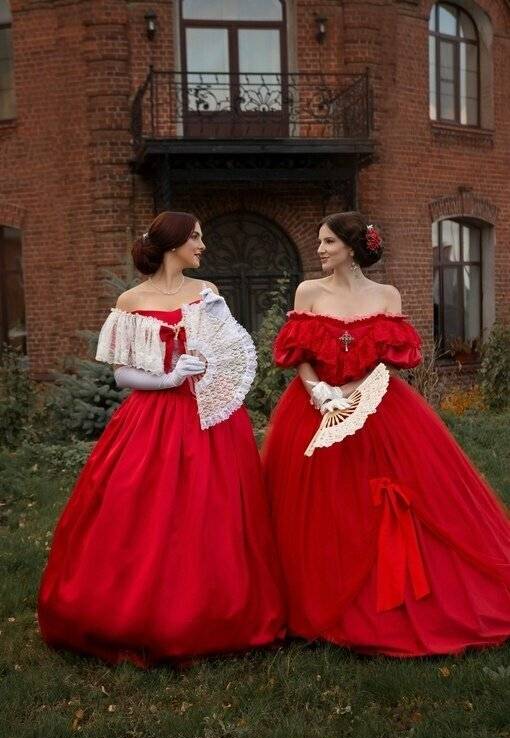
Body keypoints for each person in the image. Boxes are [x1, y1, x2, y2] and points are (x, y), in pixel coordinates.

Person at [38, 210, 284, 666]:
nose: (202, 245)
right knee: (144, 504)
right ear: (173, 243)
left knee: (215, 507)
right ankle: (140, 610)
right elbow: (121, 374)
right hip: (153, 415)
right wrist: (168, 378)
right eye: (196, 237)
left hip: (211, 417)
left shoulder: (208, 292)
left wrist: (210, 354)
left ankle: (218, 610)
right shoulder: (131, 300)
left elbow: (227, 350)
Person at [262, 210, 510, 657]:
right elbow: (299, 356)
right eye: (319, 241)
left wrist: (350, 394)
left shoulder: (386, 295)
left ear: (352, 248)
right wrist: (318, 392)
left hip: (378, 408)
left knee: (388, 501)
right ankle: (311, 600)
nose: (320, 249)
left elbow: (389, 363)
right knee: (313, 507)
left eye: (328, 242)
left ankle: (383, 603)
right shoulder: (308, 292)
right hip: (312, 408)